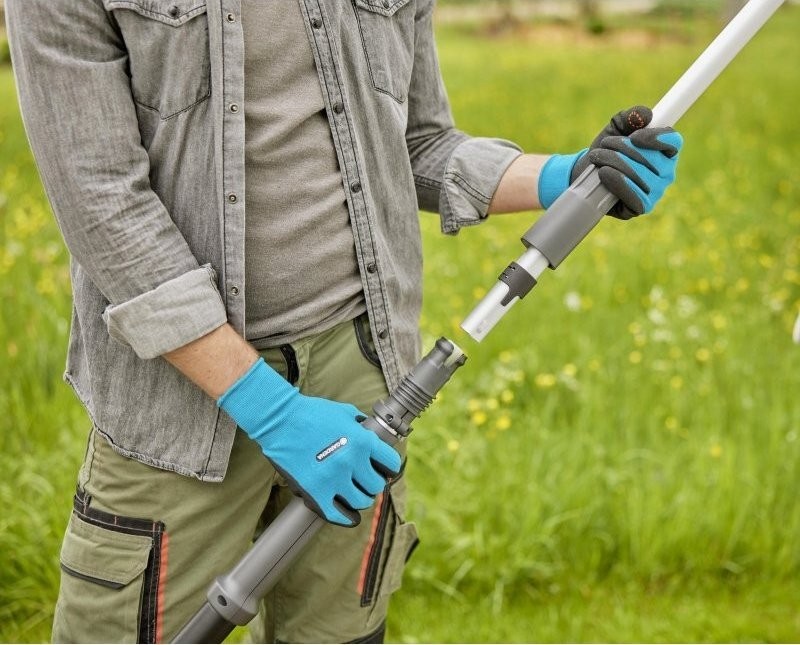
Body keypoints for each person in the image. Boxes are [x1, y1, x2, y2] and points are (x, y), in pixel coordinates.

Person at [6, 0, 682, 642]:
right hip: (177, 401)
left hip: (358, 371)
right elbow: (102, 202)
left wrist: (566, 178)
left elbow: (414, 140)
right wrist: (271, 410)